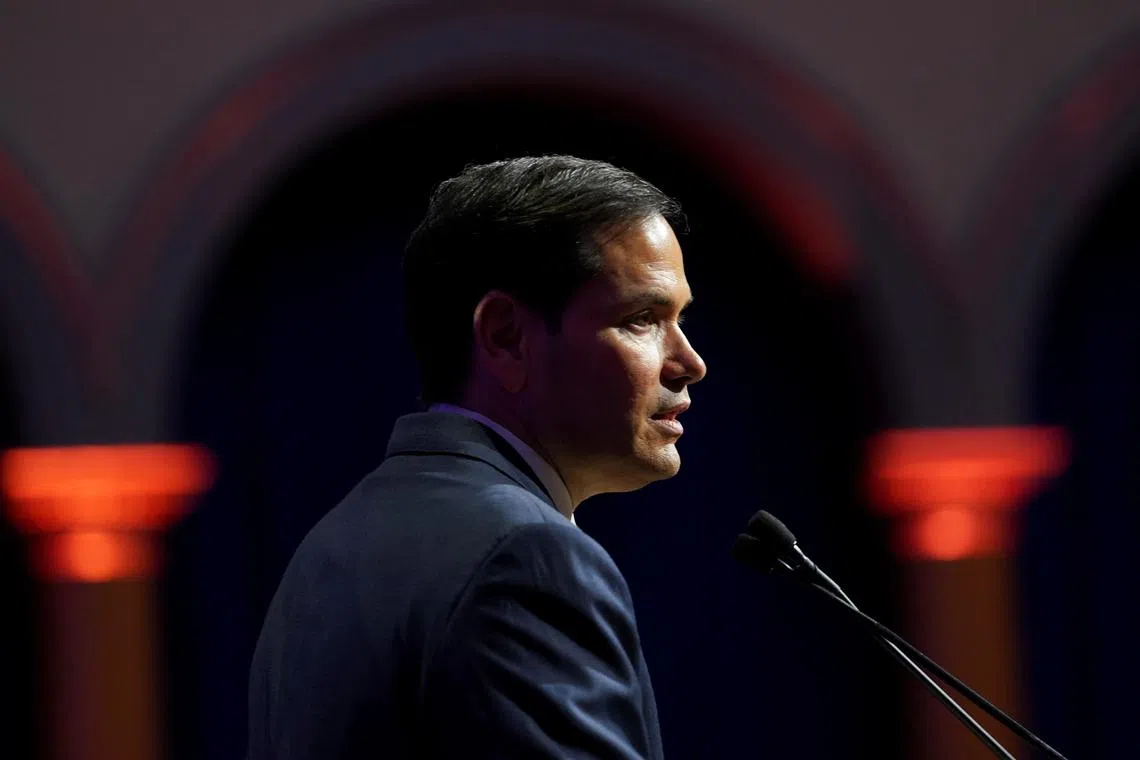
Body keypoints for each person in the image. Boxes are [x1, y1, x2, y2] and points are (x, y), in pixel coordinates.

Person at [246, 155, 707, 759]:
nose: (691, 363)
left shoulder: (331, 546)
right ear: (505, 336)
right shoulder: (528, 559)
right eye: (642, 319)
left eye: (680, 319)